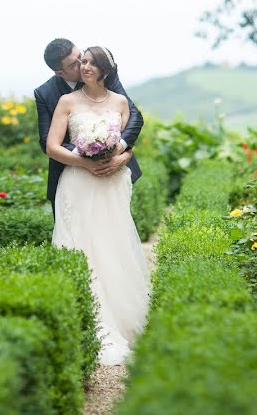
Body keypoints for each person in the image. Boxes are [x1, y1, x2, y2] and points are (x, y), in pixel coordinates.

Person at [45, 45, 151, 366]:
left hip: (112, 184)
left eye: (91, 63)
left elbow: (128, 140)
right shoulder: (66, 101)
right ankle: (85, 322)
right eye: (82, 62)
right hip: (78, 182)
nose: (84, 66)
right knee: (81, 247)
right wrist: (85, 161)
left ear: (105, 70)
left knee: (112, 245)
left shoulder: (120, 102)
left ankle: (121, 319)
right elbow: (51, 146)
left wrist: (119, 158)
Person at [34, 38, 143, 217]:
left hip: (113, 168)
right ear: (60, 72)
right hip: (73, 174)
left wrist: (122, 151)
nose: (82, 64)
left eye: (80, 55)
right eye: (75, 63)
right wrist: (90, 154)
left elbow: (134, 116)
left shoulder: (103, 74)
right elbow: (47, 141)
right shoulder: (46, 93)